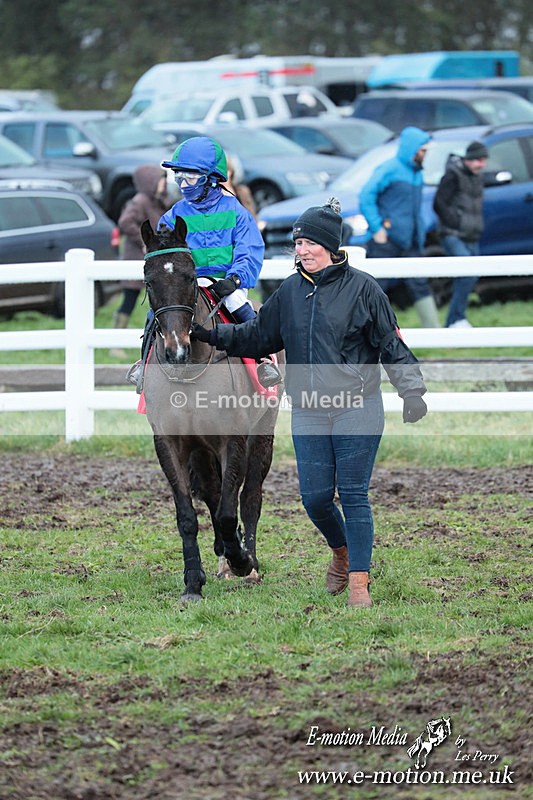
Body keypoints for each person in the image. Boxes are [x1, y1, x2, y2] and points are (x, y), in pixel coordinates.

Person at [191, 198, 428, 608]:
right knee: (315, 499)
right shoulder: (290, 293)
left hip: (358, 406)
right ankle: (341, 551)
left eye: (308, 243)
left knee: (353, 494)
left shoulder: (364, 289)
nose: (301, 250)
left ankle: (358, 584)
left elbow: (391, 343)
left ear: (331, 247)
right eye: (297, 243)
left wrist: (412, 391)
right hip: (310, 409)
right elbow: (257, 336)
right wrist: (210, 335)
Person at [127, 135, 281, 390]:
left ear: (211, 178)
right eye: (180, 178)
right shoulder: (174, 214)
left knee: (238, 305)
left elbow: (250, 250)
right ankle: (143, 365)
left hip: (226, 281)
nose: (184, 184)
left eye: (191, 177)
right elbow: (165, 255)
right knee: (158, 311)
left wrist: (235, 279)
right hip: (189, 282)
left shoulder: (237, 212)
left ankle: (263, 361)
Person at [359, 126, 441, 328]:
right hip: (386, 240)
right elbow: (365, 196)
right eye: (422, 150)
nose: (425, 154)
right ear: (411, 149)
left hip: (411, 240)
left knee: (420, 283)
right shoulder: (389, 169)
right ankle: (362, 330)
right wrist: (377, 228)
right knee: (376, 287)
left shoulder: (417, 173)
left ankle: (435, 332)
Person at [111, 165, 171, 358]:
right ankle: (115, 344)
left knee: (161, 298)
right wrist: (144, 240)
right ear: (150, 181)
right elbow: (125, 222)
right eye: (161, 180)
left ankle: (159, 340)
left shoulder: (159, 201)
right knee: (129, 299)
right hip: (136, 257)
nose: (164, 184)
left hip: (154, 259)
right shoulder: (140, 201)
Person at [433, 140, 488, 328]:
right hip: (453, 234)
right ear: (469, 159)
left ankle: (458, 318)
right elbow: (439, 204)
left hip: (471, 235)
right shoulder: (452, 176)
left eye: (484, 160)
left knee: (471, 275)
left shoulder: (476, 177)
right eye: (478, 160)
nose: (482, 165)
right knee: (467, 275)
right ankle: (453, 320)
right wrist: (456, 223)